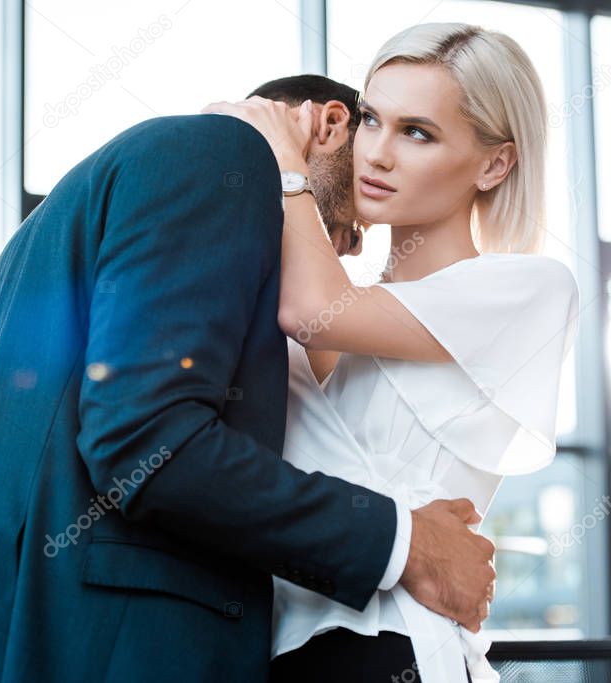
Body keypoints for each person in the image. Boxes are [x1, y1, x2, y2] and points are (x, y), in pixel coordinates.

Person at [0, 63, 498, 683]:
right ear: (332, 123)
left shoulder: (42, 232)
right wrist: (403, 543)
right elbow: (144, 438)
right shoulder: (219, 155)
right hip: (115, 644)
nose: (353, 247)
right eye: (354, 226)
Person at [203, 22, 580, 682]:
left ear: (494, 163)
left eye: (417, 132)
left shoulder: (526, 288)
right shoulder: (349, 307)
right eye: (372, 119)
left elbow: (310, 313)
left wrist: (282, 162)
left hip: (397, 646)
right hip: (285, 654)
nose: (375, 153)